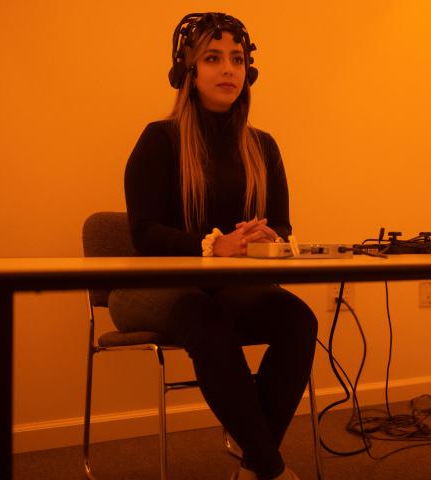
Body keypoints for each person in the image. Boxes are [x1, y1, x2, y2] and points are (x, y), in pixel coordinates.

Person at [108, 12, 317, 480]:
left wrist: (267, 239)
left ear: (249, 71)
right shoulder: (159, 139)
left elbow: (282, 224)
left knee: (298, 319)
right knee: (205, 318)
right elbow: (143, 233)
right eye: (213, 58)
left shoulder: (262, 146)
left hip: (223, 288)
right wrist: (213, 246)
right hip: (148, 287)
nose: (228, 70)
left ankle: (252, 460)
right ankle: (269, 466)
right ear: (189, 70)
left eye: (237, 60)